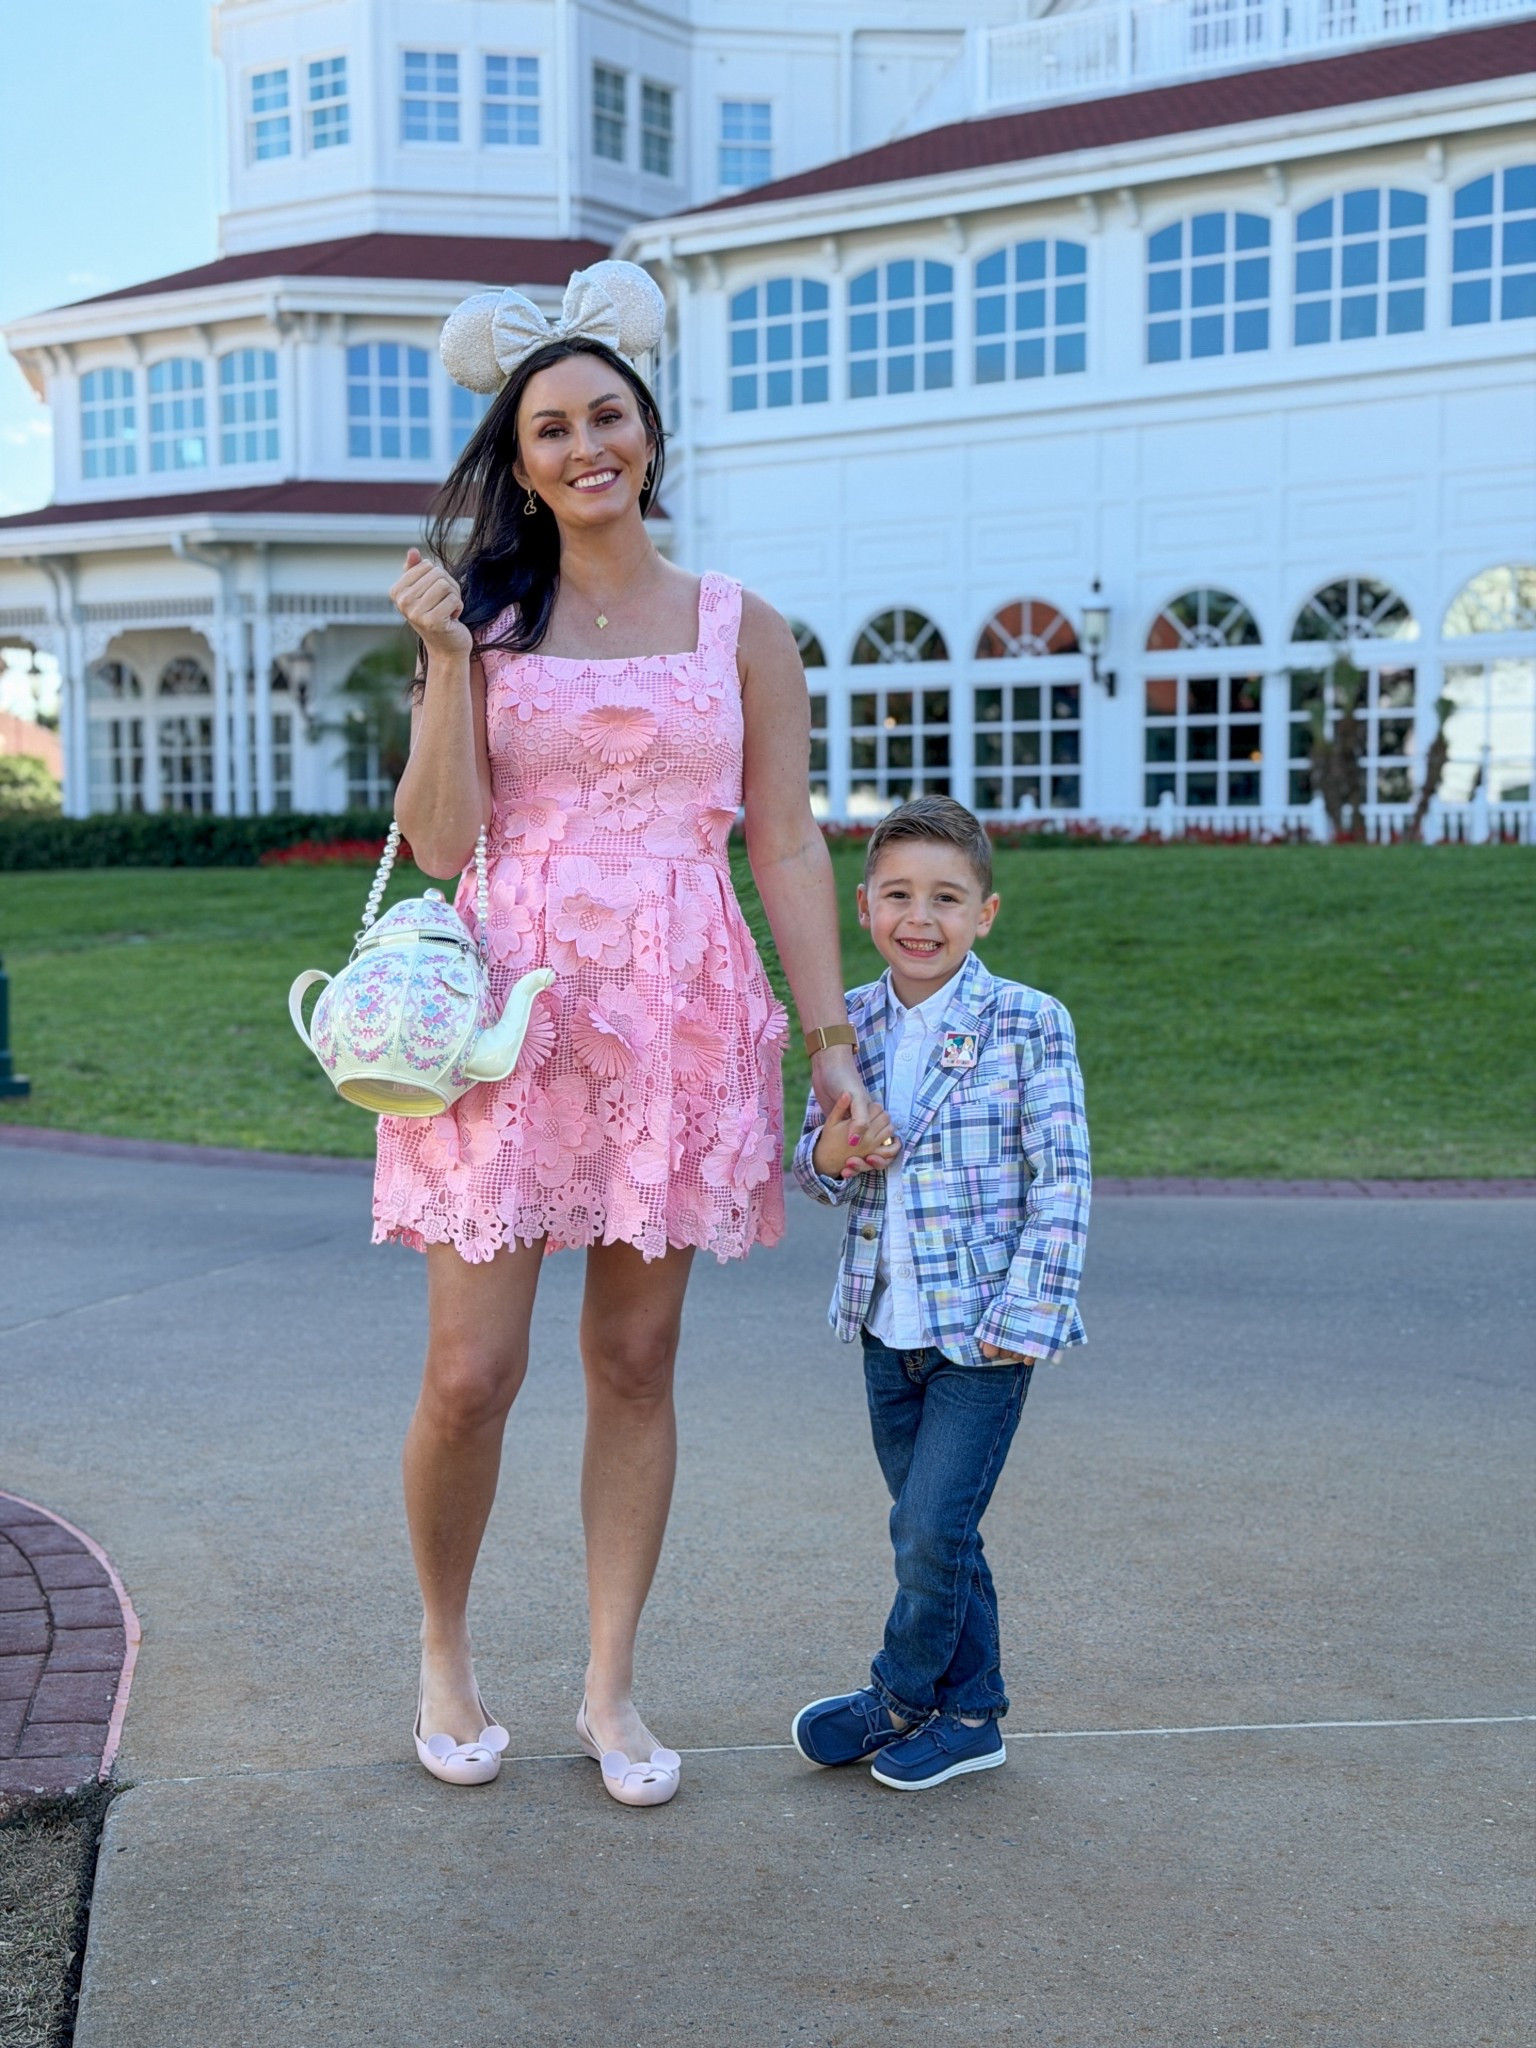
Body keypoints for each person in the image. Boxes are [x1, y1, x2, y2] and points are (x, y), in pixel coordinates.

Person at [373, 261, 891, 1806]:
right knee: (472, 1374)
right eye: (551, 427)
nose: (585, 445)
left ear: (648, 433)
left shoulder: (741, 624)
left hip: (681, 1010)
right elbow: (447, 837)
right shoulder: (483, 616)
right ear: (517, 459)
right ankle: (446, 1653)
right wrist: (454, 666)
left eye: (609, 415)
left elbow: (786, 842)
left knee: (638, 1357)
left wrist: (831, 1044)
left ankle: (610, 1688)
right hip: (505, 1019)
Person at [788, 795, 1091, 1791]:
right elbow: (818, 1167)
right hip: (888, 1323)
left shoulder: (1028, 1022)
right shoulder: (849, 1024)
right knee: (936, 1525)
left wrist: (1029, 1316)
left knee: (928, 1527)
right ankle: (972, 1712)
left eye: (947, 898)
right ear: (866, 905)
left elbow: (1063, 1178)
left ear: (986, 913)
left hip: (985, 1332)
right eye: (901, 895)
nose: (922, 917)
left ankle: (902, 1691)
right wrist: (833, 1146)